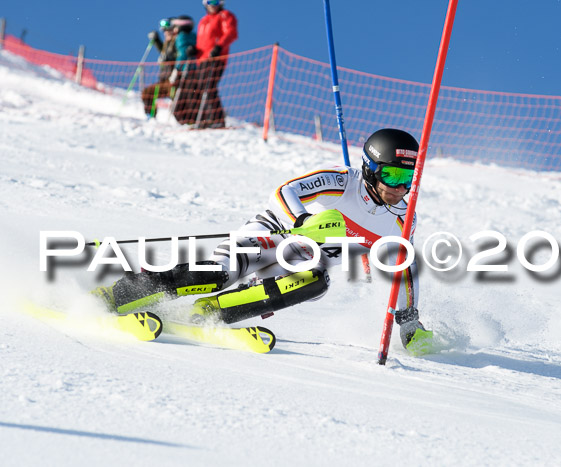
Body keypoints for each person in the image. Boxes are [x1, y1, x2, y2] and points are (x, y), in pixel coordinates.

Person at [91, 128, 433, 354]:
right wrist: (300, 222)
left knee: (316, 282)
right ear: (371, 168)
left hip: (299, 265)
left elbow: (403, 267)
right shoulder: (344, 181)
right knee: (216, 275)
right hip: (266, 239)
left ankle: (209, 313)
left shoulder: (403, 218)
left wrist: (408, 317)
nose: (399, 187)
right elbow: (285, 191)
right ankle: (115, 294)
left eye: (407, 176)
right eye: (391, 174)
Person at [192, 0, 238, 128]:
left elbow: (231, 33)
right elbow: (202, 40)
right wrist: (195, 50)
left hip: (216, 57)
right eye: (209, 1)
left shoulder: (225, 15)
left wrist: (219, 47)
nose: (212, 5)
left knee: (209, 86)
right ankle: (204, 119)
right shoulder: (204, 20)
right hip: (201, 59)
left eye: (215, 1)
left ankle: (217, 120)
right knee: (200, 88)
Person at [140, 18, 177, 119]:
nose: (166, 33)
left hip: (174, 80)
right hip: (164, 81)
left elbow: (178, 56)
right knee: (147, 93)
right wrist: (156, 40)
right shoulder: (167, 44)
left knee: (177, 101)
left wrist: (169, 60)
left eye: (168, 30)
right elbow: (163, 52)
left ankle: (186, 120)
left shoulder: (177, 42)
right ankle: (151, 116)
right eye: (164, 31)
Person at [167, 15, 199, 125]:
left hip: (186, 70)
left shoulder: (181, 37)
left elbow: (182, 54)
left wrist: (176, 69)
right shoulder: (194, 36)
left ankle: (188, 121)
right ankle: (191, 120)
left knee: (183, 97)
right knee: (191, 95)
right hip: (195, 69)